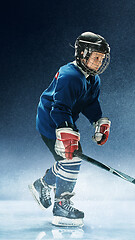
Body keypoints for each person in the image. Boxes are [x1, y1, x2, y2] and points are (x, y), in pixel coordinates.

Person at [29, 32, 111, 227]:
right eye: (95, 57)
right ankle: (61, 206)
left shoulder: (92, 79)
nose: (99, 63)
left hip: (63, 120)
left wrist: (97, 121)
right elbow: (59, 108)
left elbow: (90, 104)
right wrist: (64, 132)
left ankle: (43, 185)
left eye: (101, 58)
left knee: (71, 158)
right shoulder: (69, 76)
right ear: (82, 54)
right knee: (72, 159)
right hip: (51, 120)